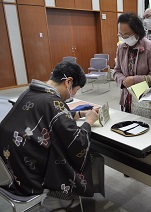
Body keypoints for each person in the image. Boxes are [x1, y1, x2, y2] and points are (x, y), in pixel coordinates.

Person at [0, 61, 99, 211]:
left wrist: (78, 114)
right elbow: (77, 140)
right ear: (68, 82)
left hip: (8, 165)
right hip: (27, 174)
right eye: (76, 89)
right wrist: (89, 122)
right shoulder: (53, 102)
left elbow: (49, 117)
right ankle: (59, 199)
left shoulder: (31, 92)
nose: (74, 94)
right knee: (67, 152)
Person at [113, 12, 151, 112]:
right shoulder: (121, 47)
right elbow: (116, 71)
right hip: (127, 97)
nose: (124, 38)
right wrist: (123, 81)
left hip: (147, 99)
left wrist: (134, 80)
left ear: (137, 31)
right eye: (121, 35)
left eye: (127, 35)